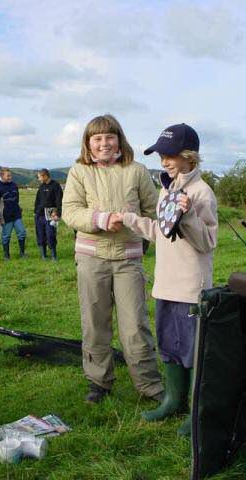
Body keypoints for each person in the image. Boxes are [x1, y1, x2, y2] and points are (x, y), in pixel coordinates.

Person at [115, 123, 218, 435]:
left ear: (189, 157)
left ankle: (195, 410)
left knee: (192, 351)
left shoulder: (201, 193)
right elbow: (163, 234)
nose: (164, 160)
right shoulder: (166, 188)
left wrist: (188, 216)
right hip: (165, 286)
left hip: (190, 289)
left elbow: (207, 242)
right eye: (161, 154)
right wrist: (132, 220)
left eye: (170, 154)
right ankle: (173, 399)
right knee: (170, 347)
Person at [62, 114, 163, 404]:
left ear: (119, 139)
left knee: (135, 326)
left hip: (129, 259)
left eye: (110, 137)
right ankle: (98, 383)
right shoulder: (79, 171)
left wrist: (136, 224)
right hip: (91, 259)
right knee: (95, 323)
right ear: (88, 144)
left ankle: (149, 386)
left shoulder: (137, 171)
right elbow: (70, 211)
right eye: (97, 138)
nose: (104, 143)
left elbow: (152, 211)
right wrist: (101, 219)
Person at [0, 167, 27, 260]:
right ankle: (6, 255)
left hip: (16, 214)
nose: (10, 177)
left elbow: (17, 199)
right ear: (2, 176)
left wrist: (18, 208)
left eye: (10, 175)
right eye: (8, 175)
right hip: (5, 217)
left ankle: (22, 253)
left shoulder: (14, 185)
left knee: (22, 232)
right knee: (6, 236)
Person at [34, 169, 63, 261]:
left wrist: (58, 213)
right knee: (40, 234)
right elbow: (37, 200)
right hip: (40, 215)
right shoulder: (41, 187)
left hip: (51, 214)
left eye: (39, 177)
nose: (39, 179)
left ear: (45, 176)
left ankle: (54, 255)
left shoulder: (56, 186)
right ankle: (44, 255)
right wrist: (36, 211)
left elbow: (59, 201)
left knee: (50, 234)